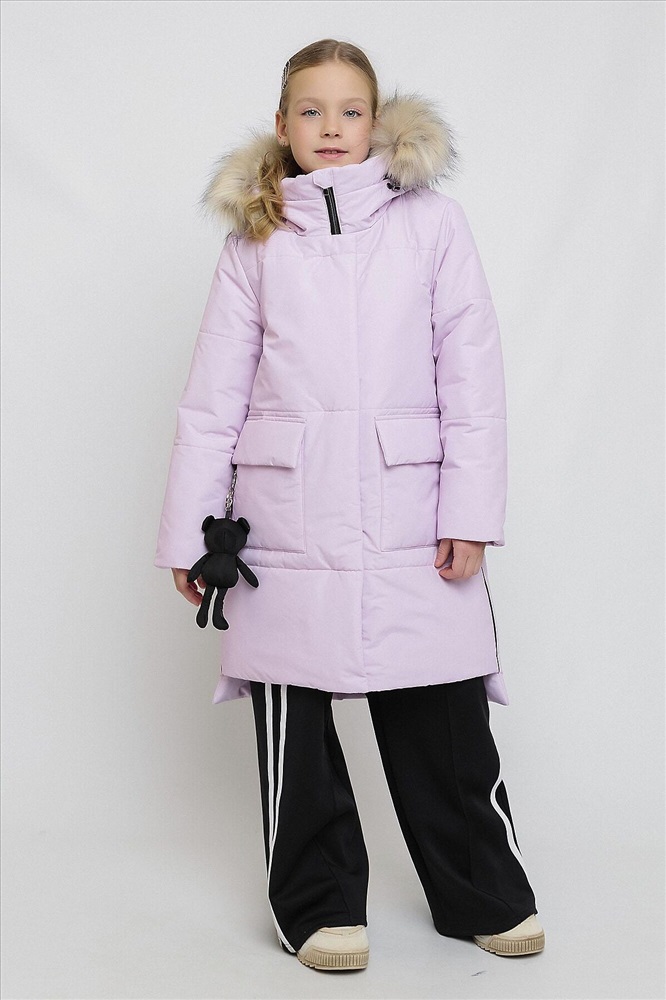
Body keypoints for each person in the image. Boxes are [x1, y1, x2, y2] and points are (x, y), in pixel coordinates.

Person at [154, 37, 545, 971]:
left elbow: (472, 376)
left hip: (412, 510)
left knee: (444, 715)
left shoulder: (433, 226)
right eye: (311, 110)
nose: (331, 127)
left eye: (350, 110)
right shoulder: (253, 244)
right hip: (283, 519)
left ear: (379, 121)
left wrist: (470, 512)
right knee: (296, 723)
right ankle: (319, 904)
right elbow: (212, 399)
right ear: (283, 125)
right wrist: (188, 533)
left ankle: (481, 893)